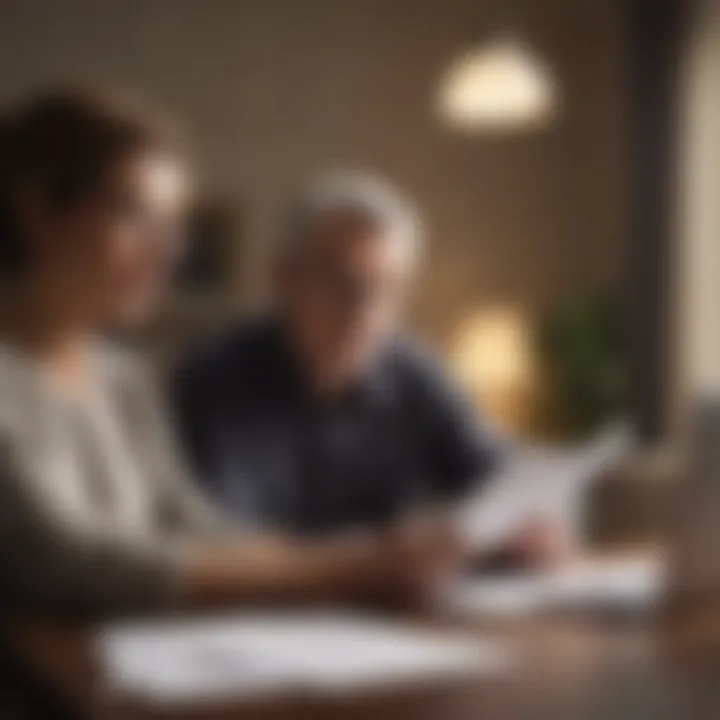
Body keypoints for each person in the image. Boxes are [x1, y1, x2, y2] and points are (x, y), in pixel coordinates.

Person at [0, 89, 444, 617]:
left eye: (173, 225)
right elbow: (65, 563)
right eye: (135, 214)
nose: (168, 253)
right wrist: (339, 570)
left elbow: (190, 523)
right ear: (36, 208)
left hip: (137, 672)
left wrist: (364, 554)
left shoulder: (123, 377)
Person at [174, 173, 568, 566]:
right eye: (344, 284)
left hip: (389, 618)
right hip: (261, 616)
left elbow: (495, 480)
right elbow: (229, 541)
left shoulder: (415, 372)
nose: (364, 310)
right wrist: (380, 555)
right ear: (286, 280)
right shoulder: (215, 376)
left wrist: (527, 526)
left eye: (386, 288)